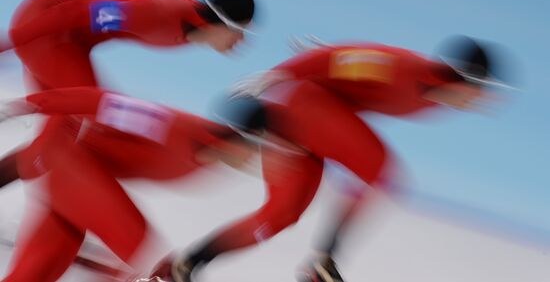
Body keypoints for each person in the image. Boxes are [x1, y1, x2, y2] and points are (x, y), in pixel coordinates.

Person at [149, 36, 511, 282]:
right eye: (482, 91)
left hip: (309, 125)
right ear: (464, 79)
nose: (480, 101)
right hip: (304, 108)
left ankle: (186, 264)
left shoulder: (436, 99)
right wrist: (285, 72)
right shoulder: (409, 70)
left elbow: (351, 72)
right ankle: (324, 264)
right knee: (379, 169)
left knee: (279, 217)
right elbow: (349, 58)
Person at [0, 0, 256, 184]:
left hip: (72, 40)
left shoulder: (191, 26)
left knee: (66, 134)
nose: (242, 41)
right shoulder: (157, 15)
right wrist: (11, 41)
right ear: (220, 22)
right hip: (49, 26)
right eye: (240, 30)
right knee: (67, 131)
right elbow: (73, 13)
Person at [0, 87, 259, 282]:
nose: (254, 162)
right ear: (238, 141)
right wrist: (27, 104)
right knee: (157, 264)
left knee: (33, 274)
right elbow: (100, 102)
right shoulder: (174, 127)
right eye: (255, 152)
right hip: (65, 162)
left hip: (77, 183)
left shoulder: (207, 164)